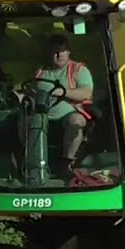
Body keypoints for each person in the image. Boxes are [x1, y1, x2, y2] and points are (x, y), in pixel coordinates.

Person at [22, 34, 94, 175]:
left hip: (69, 114)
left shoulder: (79, 70)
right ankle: (29, 160)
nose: (59, 54)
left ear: (68, 52)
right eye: (55, 51)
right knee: (22, 116)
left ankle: (66, 163)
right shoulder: (40, 71)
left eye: (62, 51)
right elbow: (29, 91)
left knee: (76, 121)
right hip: (41, 113)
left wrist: (62, 92)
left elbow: (86, 93)